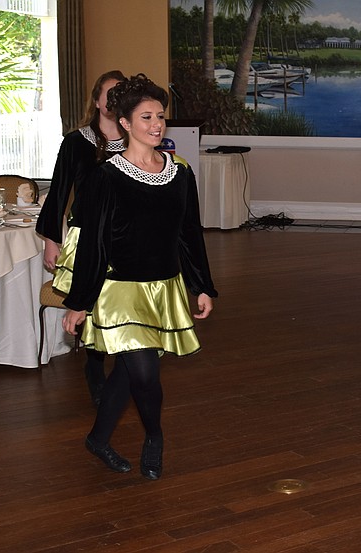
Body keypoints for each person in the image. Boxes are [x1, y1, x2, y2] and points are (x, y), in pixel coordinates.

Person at [60, 74, 217, 480]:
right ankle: (155, 436)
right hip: (120, 290)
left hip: (164, 288)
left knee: (130, 371)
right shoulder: (105, 176)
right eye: (146, 116)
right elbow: (94, 244)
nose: (156, 124)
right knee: (144, 370)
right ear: (125, 123)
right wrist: (79, 302)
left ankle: (97, 438)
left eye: (160, 116)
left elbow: (189, 236)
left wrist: (201, 286)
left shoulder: (180, 174)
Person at [37, 70, 127, 406]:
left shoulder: (137, 140)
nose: (114, 100)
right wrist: (51, 239)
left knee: (118, 305)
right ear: (96, 100)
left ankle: (121, 369)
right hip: (85, 237)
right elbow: (59, 190)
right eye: (109, 93)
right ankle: (93, 365)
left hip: (124, 239)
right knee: (91, 304)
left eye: (121, 93)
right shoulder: (76, 141)